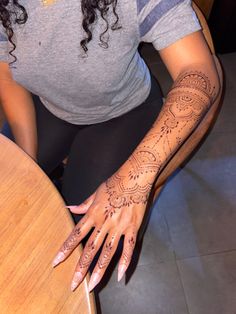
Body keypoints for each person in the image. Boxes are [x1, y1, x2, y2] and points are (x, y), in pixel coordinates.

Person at [0, 0, 220, 293]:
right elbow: (6, 74)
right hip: (50, 106)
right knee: (9, 196)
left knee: (80, 246)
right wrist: (29, 162)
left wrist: (136, 176)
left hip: (123, 110)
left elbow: (199, 69)